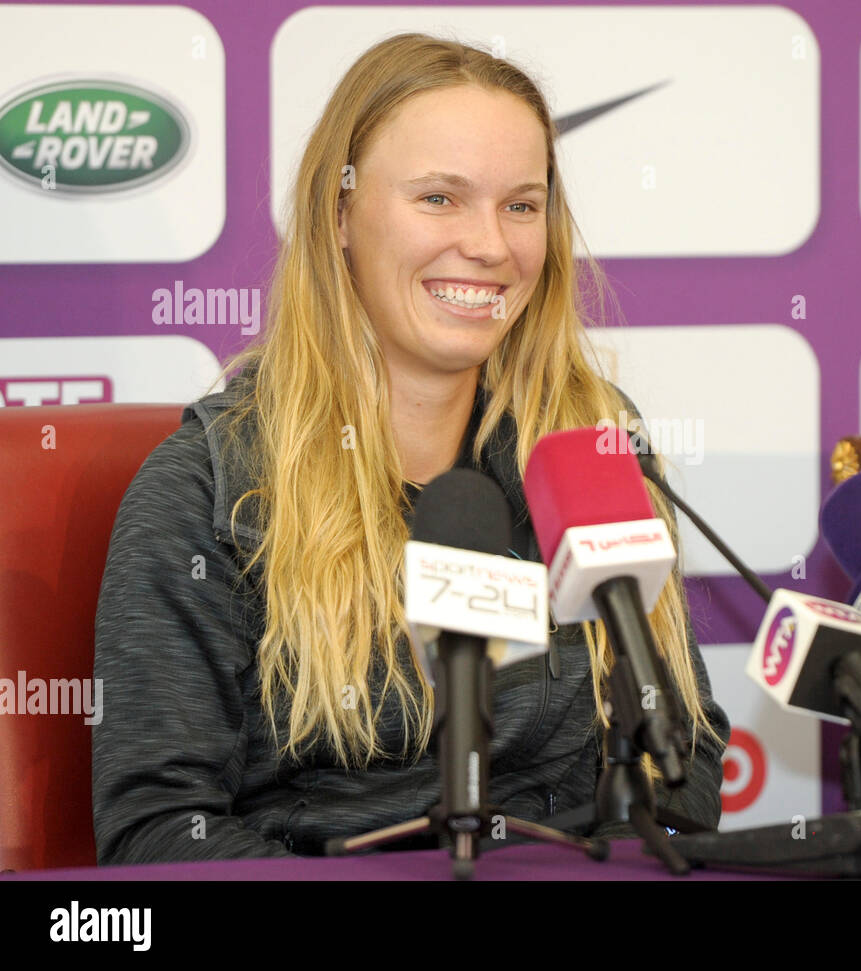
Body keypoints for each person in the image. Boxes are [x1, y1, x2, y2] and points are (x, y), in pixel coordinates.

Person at [92, 33, 729, 864]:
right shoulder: (209, 488)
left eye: (522, 205)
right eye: (439, 198)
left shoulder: (589, 447)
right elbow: (159, 833)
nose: (491, 245)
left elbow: (684, 755)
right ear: (341, 215)